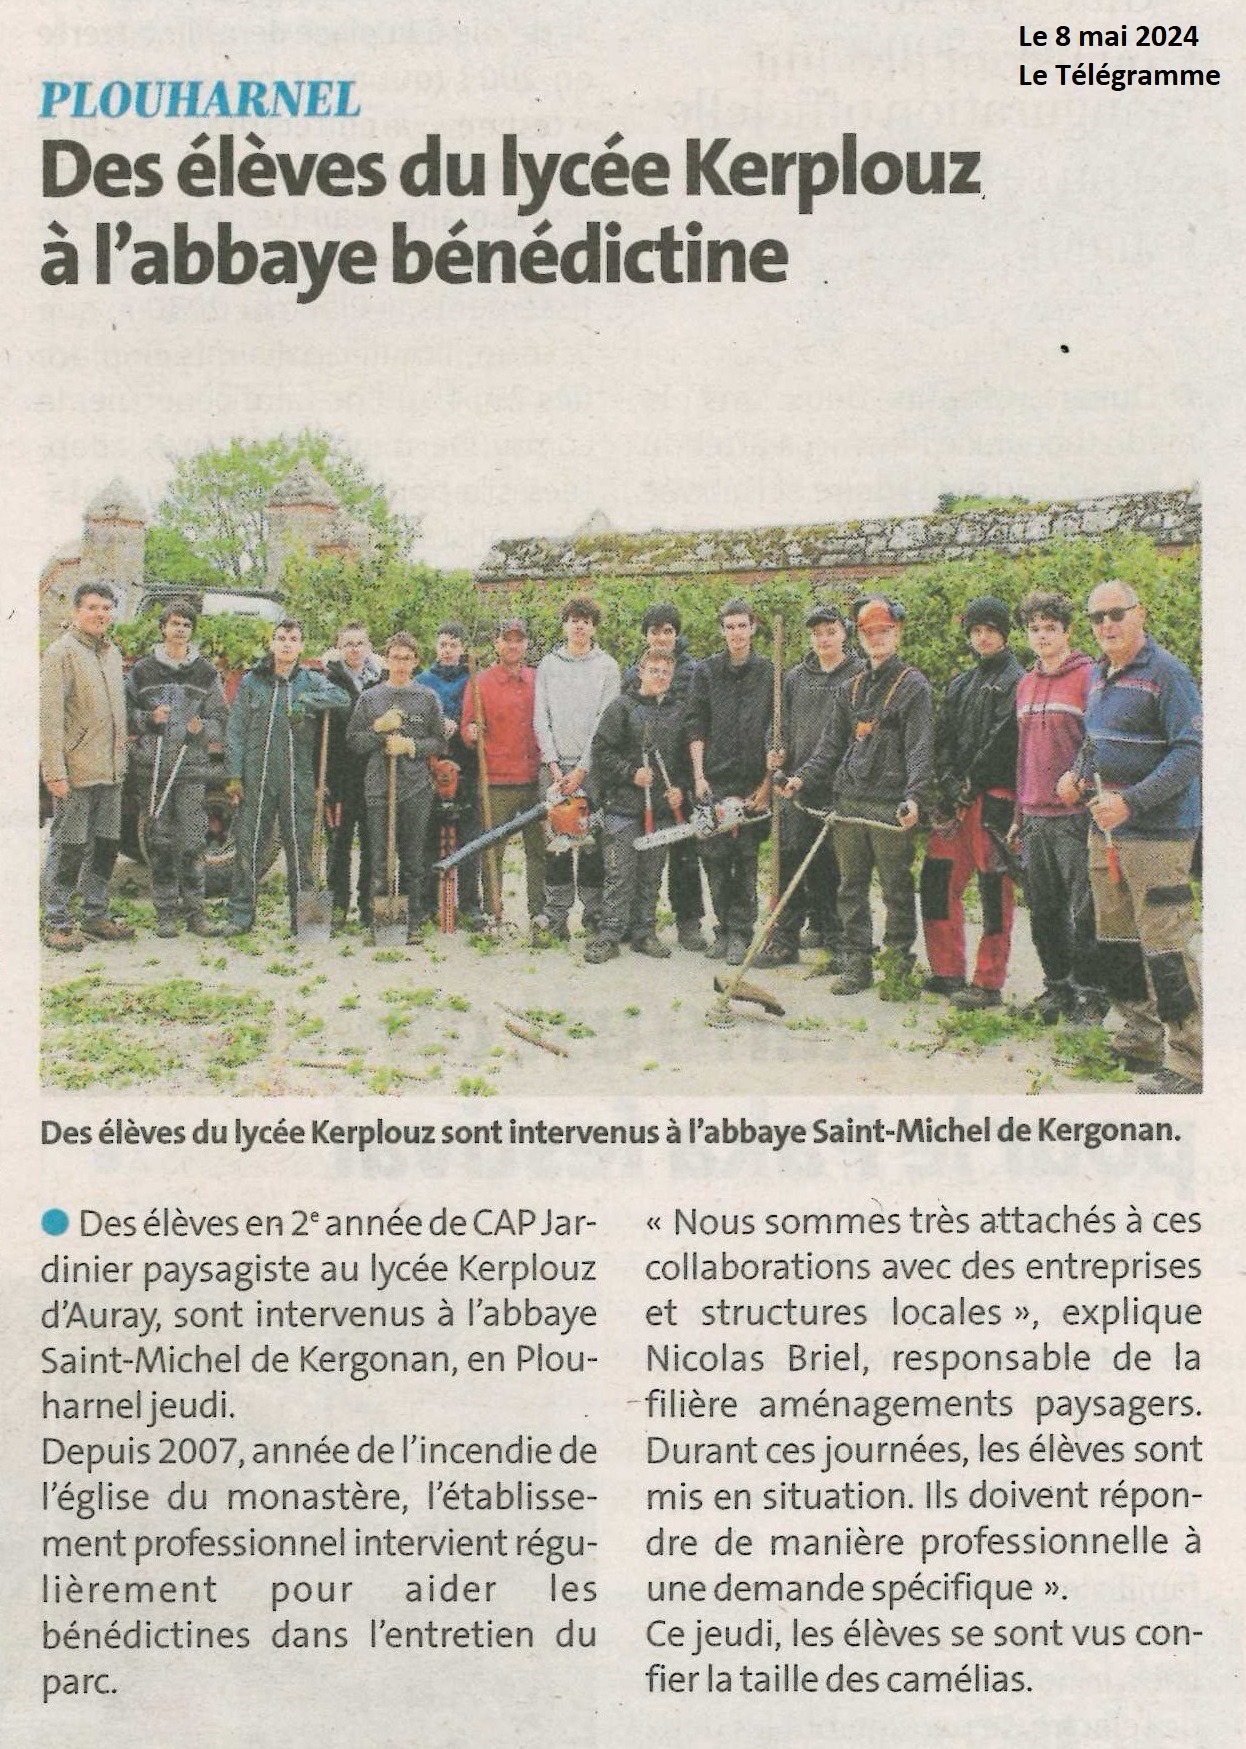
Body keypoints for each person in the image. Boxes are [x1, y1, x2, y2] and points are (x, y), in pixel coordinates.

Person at [1057, 579, 1202, 1093]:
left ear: (1141, 614)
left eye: (1117, 614)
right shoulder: (1099, 675)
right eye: (1097, 618)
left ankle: (1191, 1062)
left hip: (1158, 834)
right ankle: (1139, 1036)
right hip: (1107, 831)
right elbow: (1094, 745)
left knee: (1166, 946)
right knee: (1116, 939)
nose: (1107, 625)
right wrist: (1075, 775)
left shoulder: (1169, 674)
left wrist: (1132, 801)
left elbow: (1191, 752)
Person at [780, 596, 932, 995]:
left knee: (896, 888)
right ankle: (857, 962)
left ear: (897, 633)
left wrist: (914, 796)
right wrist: (801, 778)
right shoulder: (850, 689)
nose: (877, 639)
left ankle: (897, 966)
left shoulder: (914, 687)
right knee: (850, 886)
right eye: (870, 633)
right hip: (848, 799)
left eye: (884, 631)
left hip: (888, 803)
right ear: (861, 638)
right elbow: (829, 749)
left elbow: (920, 749)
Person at [920, 596, 1023, 1008]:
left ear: (1003, 634)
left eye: (990, 631)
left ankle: (988, 981)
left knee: (994, 889)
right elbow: (941, 738)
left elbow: (1003, 741)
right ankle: (947, 970)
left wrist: (969, 783)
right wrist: (947, 784)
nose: (982, 637)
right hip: (954, 799)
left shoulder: (1018, 680)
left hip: (994, 796)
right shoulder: (960, 683)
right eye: (976, 631)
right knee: (936, 878)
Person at [1011, 589, 1106, 1024]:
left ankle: (1091, 996)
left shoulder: (1091, 676)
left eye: (1051, 628)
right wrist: (1017, 815)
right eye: (1034, 629)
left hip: (1075, 817)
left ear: (1068, 631)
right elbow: (1022, 753)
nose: (1042, 636)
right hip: (1033, 816)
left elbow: (1100, 740)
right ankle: (1058, 988)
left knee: (1084, 910)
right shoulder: (1025, 683)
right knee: (1044, 910)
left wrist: (1082, 780)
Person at [224, 620, 351, 936]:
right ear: (271, 643)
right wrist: (234, 775)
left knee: (300, 848)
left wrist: (305, 702)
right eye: (281, 638)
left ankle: (305, 921)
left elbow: (342, 698)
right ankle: (240, 916)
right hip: (258, 776)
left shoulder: (310, 681)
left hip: (298, 776)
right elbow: (236, 730)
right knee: (249, 845)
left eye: (293, 639)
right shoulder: (253, 682)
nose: (286, 644)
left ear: (301, 646)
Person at [758, 602, 864, 968]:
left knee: (833, 868)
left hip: (838, 787)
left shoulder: (859, 676)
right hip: (795, 787)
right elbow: (777, 723)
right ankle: (784, 939)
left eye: (830, 632)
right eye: (817, 633)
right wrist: (775, 747)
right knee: (789, 860)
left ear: (844, 634)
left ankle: (837, 940)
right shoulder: (794, 678)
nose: (824, 639)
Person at [125, 597, 229, 937]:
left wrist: (204, 729)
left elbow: (219, 718)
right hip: (152, 766)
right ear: (163, 628)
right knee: (160, 841)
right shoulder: (142, 671)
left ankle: (196, 913)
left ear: (191, 631)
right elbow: (127, 715)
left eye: (186, 625)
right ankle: (165, 913)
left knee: (193, 841)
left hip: (191, 768)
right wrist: (149, 718)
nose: (180, 630)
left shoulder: (205, 672)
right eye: (174, 623)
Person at [40, 582, 135, 950]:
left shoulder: (111, 653)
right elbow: (50, 718)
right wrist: (55, 772)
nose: (100, 614)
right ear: (77, 611)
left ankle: (95, 915)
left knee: (106, 845)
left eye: (106, 608)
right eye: (93, 607)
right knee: (69, 846)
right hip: (76, 772)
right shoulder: (61, 653)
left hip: (110, 771)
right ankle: (58, 920)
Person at [587, 648, 690, 962]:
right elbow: (601, 753)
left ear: (671, 678)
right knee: (619, 873)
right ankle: (609, 936)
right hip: (623, 808)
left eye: (665, 672)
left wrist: (680, 791)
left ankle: (644, 932)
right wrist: (631, 774)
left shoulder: (678, 712)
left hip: (659, 811)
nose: (659, 677)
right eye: (654, 670)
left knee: (651, 875)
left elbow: (685, 761)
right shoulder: (620, 708)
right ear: (641, 672)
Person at [687, 599, 773, 965]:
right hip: (716, 779)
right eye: (730, 627)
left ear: (753, 627)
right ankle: (723, 927)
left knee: (746, 859)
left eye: (743, 626)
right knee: (714, 857)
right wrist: (699, 774)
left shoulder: (769, 672)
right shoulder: (706, 672)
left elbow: (777, 731)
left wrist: (767, 785)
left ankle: (742, 931)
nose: (737, 633)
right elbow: (696, 724)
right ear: (722, 630)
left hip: (753, 781)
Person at [346, 633, 447, 940]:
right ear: (385, 660)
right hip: (379, 788)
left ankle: (411, 920)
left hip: (415, 788)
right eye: (395, 657)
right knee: (379, 857)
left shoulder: (427, 698)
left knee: (413, 858)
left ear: (416, 661)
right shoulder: (371, 698)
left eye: (407, 658)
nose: (401, 664)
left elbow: (439, 742)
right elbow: (353, 741)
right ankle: (382, 921)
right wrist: (378, 730)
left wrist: (411, 746)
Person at [533, 597, 620, 939]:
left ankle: (593, 914)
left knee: (590, 843)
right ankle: (555, 917)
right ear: (564, 625)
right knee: (556, 844)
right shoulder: (548, 665)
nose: (579, 626)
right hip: (555, 768)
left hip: (592, 770)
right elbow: (542, 716)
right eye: (573, 620)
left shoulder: (607, 667)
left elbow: (605, 721)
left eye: (585, 620)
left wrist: (582, 770)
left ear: (594, 627)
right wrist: (554, 767)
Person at [622, 603, 707, 951]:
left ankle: (689, 922)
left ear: (676, 634)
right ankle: (637, 921)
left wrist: (693, 776)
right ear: (646, 635)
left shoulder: (695, 672)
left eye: (668, 631)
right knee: (645, 851)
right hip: (645, 777)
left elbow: (699, 720)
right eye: (655, 631)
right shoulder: (633, 674)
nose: (661, 637)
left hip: (682, 774)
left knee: (685, 852)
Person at [460, 617, 547, 935]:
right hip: (496, 779)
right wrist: (471, 731)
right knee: (493, 849)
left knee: (539, 849)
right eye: (506, 639)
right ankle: (492, 912)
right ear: (496, 644)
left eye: (518, 639)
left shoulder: (539, 680)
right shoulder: (479, 683)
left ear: (526, 644)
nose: (513, 645)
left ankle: (539, 913)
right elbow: (466, 729)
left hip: (535, 778)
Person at [418, 621, 482, 926]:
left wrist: (460, 722)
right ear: (435, 646)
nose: (447, 650)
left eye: (453, 645)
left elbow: (479, 714)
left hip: (466, 760)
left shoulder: (473, 680)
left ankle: (470, 903)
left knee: (470, 836)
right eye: (442, 644)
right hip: (430, 763)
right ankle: (429, 902)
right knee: (430, 836)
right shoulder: (423, 681)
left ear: (462, 649)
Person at [323, 621, 383, 928]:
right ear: (339, 647)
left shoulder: (381, 682)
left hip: (374, 775)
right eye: (348, 644)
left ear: (369, 647)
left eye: (360, 643)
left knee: (373, 842)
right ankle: (337, 903)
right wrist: (324, 782)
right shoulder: (327, 681)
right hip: (340, 777)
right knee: (339, 842)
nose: (354, 649)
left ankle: (368, 902)